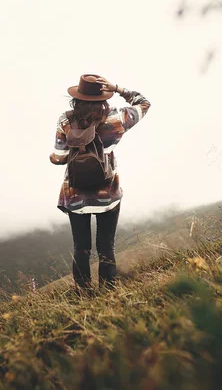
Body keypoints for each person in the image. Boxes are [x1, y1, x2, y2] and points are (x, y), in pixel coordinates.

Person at [49, 74, 151, 292]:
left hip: (75, 193)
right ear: (103, 98)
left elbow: (58, 157)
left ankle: (83, 293)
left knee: (81, 248)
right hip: (108, 193)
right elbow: (144, 103)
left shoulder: (65, 121)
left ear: (77, 97)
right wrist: (118, 88)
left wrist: (77, 152)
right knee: (106, 247)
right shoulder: (117, 118)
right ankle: (108, 292)